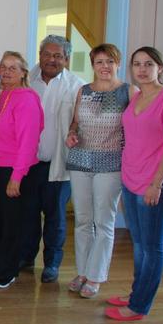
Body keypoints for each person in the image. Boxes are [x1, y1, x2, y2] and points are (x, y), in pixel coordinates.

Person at [105, 47, 163, 321]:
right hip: (131, 181)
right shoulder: (136, 96)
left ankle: (139, 306)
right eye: (136, 64)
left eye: (148, 64)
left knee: (151, 248)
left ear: (159, 68)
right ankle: (137, 292)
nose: (141, 69)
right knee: (139, 244)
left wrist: (157, 184)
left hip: (154, 184)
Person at [65, 43, 135, 297]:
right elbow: (75, 123)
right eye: (99, 62)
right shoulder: (83, 91)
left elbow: (136, 128)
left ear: (118, 64)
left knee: (103, 221)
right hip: (79, 161)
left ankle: (96, 276)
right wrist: (71, 134)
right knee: (82, 220)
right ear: (93, 65)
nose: (104, 67)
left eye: (109, 62)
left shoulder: (129, 91)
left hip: (111, 163)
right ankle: (83, 271)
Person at [0, 51, 44, 289]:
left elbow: (28, 142)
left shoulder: (27, 98)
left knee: (11, 223)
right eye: (3, 67)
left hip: (13, 170)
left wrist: (17, 177)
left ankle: (9, 269)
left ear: (23, 73)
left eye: (12, 68)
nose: (6, 72)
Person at [22, 35, 84, 283]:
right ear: (40, 55)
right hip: (29, 164)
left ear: (66, 59)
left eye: (58, 55)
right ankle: (26, 257)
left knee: (56, 217)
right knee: (27, 215)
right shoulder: (26, 80)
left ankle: (52, 264)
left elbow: (81, 123)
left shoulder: (77, 85)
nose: (51, 59)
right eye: (47, 54)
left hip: (59, 164)